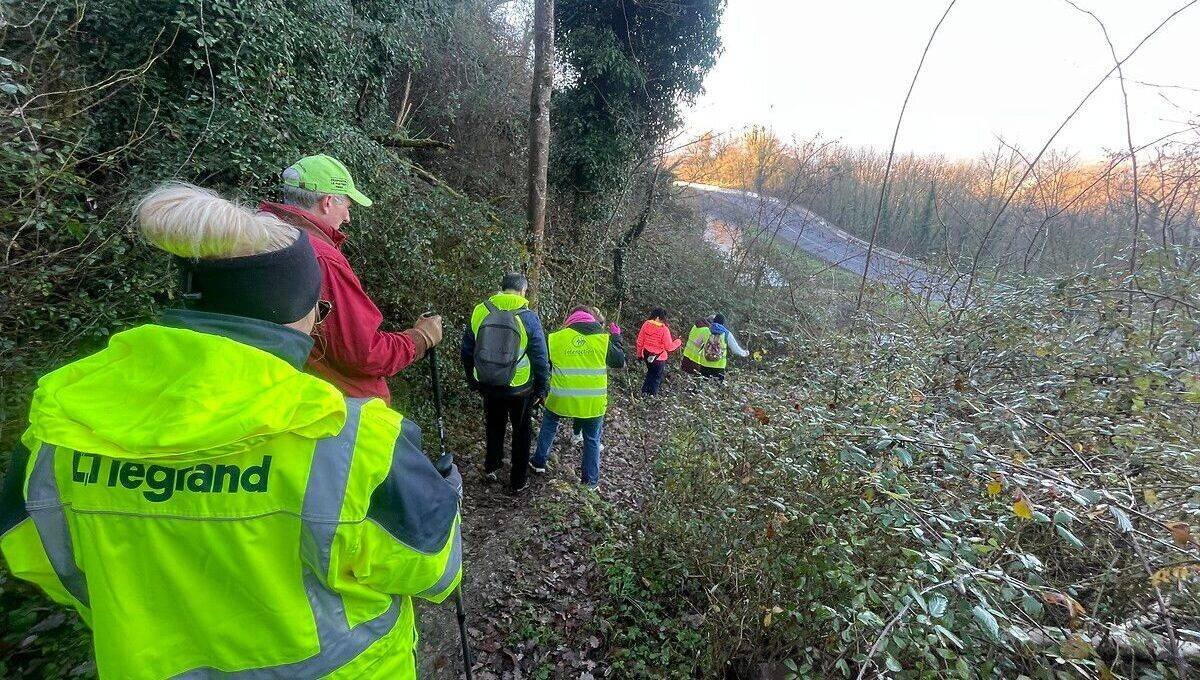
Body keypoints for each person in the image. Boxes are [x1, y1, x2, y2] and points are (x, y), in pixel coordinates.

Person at [0, 183, 462, 679]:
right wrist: (445, 494)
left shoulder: (59, 426)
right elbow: (435, 570)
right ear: (292, 315)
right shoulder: (352, 439)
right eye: (320, 312)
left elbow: (42, 561)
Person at [260, 153, 443, 403]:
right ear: (327, 202)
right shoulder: (322, 258)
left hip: (285, 388)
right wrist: (421, 338)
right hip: (335, 404)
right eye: (346, 206)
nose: (347, 217)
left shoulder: (266, 234)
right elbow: (364, 353)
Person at [460, 272, 549, 492]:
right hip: (519, 387)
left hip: (488, 383)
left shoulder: (481, 310)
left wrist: (472, 379)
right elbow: (540, 357)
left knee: (493, 424)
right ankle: (518, 481)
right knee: (521, 431)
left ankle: (492, 467)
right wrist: (542, 387)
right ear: (523, 291)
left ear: (502, 288)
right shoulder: (529, 317)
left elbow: (467, 350)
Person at [530, 306, 626, 489]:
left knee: (549, 424)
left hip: (561, 397)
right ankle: (590, 482)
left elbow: (542, 364)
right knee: (592, 438)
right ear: (591, 320)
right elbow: (619, 361)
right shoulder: (603, 339)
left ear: (570, 320)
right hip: (592, 401)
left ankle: (538, 462)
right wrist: (616, 338)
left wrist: (539, 389)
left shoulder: (556, 338)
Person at [681, 313, 749, 381]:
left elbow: (697, 344)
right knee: (717, 385)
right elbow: (735, 349)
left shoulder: (706, 330)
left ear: (713, 321)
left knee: (704, 384)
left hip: (704, 364)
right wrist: (744, 353)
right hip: (719, 366)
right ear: (723, 323)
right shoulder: (727, 333)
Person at [634, 307, 683, 395]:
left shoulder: (646, 324)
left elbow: (640, 341)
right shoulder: (664, 329)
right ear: (658, 317)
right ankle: (652, 396)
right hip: (658, 358)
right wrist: (678, 342)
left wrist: (639, 355)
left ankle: (644, 392)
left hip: (646, 354)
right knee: (656, 378)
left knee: (650, 374)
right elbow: (669, 347)